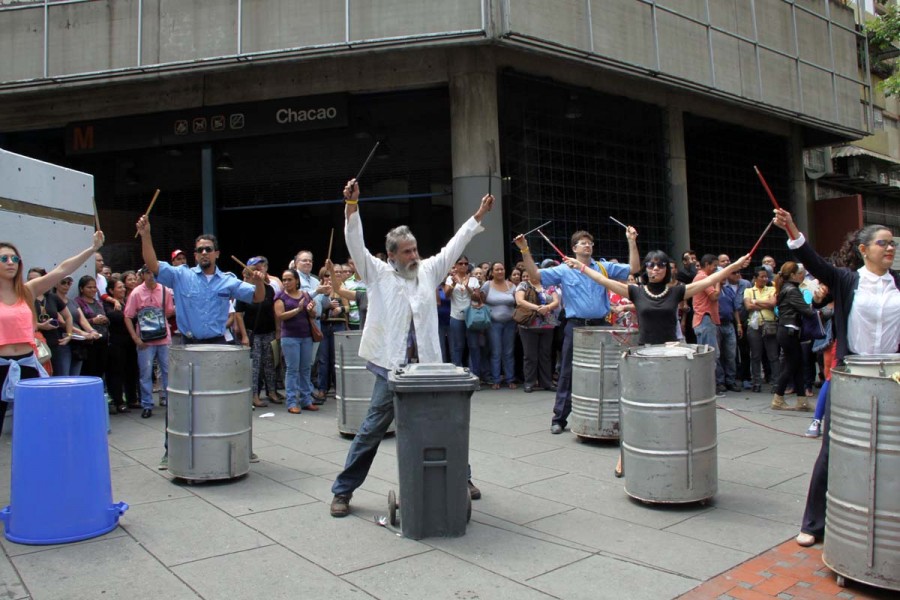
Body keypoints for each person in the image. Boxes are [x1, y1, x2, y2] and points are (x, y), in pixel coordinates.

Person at [330, 178, 493, 518]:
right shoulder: (375, 272)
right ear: (391, 255)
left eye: (415, 249)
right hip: (392, 371)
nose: (414, 255)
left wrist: (477, 216)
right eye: (407, 251)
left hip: (429, 370)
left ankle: (462, 479)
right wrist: (352, 206)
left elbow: (453, 245)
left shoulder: (429, 270)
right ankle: (343, 491)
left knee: (446, 424)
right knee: (372, 430)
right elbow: (354, 241)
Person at [772, 209, 899, 548]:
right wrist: (791, 227)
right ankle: (813, 524)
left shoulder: (898, 283)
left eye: (892, 244)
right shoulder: (847, 279)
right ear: (863, 249)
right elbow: (811, 260)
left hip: (892, 377)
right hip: (853, 374)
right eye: (882, 243)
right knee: (831, 451)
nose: (889, 249)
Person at [563, 249, 750, 476]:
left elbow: (711, 279)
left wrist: (735, 264)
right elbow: (603, 279)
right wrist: (580, 266)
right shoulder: (636, 292)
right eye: (651, 265)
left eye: (660, 265)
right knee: (634, 410)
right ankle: (625, 455)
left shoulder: (677, 292)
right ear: (646, 269)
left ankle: (669, 455)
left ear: (666, 269)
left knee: (671, 411)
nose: (655, 269)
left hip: (670, 357)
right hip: (643, 357)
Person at [516, 226, 639, 435]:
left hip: (601, 324)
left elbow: (634, 268)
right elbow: (535, 275)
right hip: (576, 325)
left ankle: (612, 416)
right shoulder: (564, 269)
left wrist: (631, 241)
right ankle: (559, 418)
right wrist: (525, 249)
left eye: (590, 243)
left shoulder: (602, 267)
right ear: (574, 248)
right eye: (583, 243)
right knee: (567, 371)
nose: (588, 245)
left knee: (609, 371)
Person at [1, 232, 105, 435]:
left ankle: (35, 465)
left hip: (27, 365)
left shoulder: (27, 290)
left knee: (35, 425)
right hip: (1, 364)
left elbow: (62, 269)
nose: (10, 262)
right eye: (4, 258)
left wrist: (92, 249)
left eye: (14, 258)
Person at [135, 218, 266, 343]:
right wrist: (145, 235)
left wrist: (259, 282)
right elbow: (153, 265)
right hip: (189, 344)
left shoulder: (228, 280)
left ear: (217, 254)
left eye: (208, 249)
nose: (204, 252)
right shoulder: (181, 275)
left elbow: (257, 297)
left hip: (217, 344)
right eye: (200, 250)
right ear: (195, 256)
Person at [124, 265, 175, 418]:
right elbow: (128, 316)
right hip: (145, 339)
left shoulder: (164, 290)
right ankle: (147, 404)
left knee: (168, 371)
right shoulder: (136, 292)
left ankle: (170, 401)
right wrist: (135, 337)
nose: (151, 276)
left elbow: (170, 310)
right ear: (143, 275)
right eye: (147, 273)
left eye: (153, 273)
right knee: (145, 373)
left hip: (163, 337)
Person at [770, 261, 817, 411]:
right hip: (789, 331)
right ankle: (778, 398)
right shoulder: (792, 290)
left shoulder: (786, 288)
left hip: (788, 330)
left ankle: (801, 401)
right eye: (798, 274)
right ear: (792, 275)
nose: (801, 276)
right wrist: (823, 309)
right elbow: (807, 311)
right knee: (791, 365)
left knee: (796, 365)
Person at [235, 257, 279, 408]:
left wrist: (277, 331)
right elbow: (238, 315)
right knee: (255, 366)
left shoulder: (270, 289)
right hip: (253, 332)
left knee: (270, 363)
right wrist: (245, 336)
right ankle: (254, 395)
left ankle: (272, 391)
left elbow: (274, 311)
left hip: (269, 332)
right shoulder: (244, 291)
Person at [274, 269, 320, 414]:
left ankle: (306, 400)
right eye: (284, 279)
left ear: (296, 281)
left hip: (306, 336)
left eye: (289, 279)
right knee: (292, 369)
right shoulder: (280, 297)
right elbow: (280, 316)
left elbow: (313, 314)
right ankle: (292, 401)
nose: (286, 282)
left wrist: (311, 309)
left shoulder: (305, 295)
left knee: (305, 369)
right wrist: (298, 309)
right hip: (290, 338)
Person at [515, 269, 560, 393]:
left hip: (548, 324)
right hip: (529, 324)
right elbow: (520, 301)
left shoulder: (548, 285)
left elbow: (556, 301)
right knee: (530, 355)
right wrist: (538, 308)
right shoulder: (523, 285)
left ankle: (547, 382)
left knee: (545, 354)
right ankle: (529, 382)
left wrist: (548, 307)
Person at [104, 276, 139, 413]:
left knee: (131, 370)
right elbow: (115, 317)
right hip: (116, 342)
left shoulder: (127, 302)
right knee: (117, 372)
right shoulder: (108, 304)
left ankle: (132, 399)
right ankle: (118, 401)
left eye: (123, 287)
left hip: (130, 341)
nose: (123, 289)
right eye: (119, 287)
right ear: (111, 290)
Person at [482, 261, 518, 389]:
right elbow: (480, 301)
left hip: (510, 322)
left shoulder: (511, 285)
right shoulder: (487, 285)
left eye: (502, 269)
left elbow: (517, 303)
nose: (500, 272)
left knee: (508, 352)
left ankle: (510, 379)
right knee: (496, 351)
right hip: (493, 323)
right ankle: (496, 379)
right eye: (497, 270)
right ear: (492, 272)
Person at [444, 255, 481, 376]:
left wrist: (467, 287)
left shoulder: (474, 280)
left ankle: (475, 375)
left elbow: (477, 297)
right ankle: (458, 375)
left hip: (471, 316)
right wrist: (454, 284)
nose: (463, 266)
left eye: (466, 263)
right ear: (455, 265)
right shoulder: (450, 279)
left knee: (474, 346)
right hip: (456, 316)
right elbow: (447, 295)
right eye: (460, 263)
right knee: (458, 346)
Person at [75, 275, 110, 384]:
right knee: (89, 372)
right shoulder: (78, 302)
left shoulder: (98, 302)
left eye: (94, 287)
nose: (92, 290)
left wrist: (105, 319)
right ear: (81, 289)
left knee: (101, 371)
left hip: (103, 342)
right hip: (89, 344)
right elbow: (79, 321)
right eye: (89, 287)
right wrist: (93, 321)